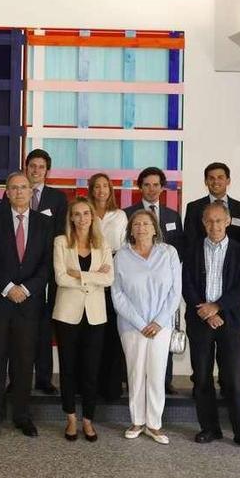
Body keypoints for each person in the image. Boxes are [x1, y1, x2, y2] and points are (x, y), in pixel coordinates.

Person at [182, 202, 240, 453]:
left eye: (219, 220)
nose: (214, 225)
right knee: (203, 378)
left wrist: (216, 307)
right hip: (200, 321)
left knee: (234, 380)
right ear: (203, 223)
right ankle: (210, 428)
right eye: (209, 221)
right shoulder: (193, 250)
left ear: (227, 222)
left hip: (229, 322)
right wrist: (206, 313)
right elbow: (187, 285)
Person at [0, 172, 53, 438]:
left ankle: (22, 416)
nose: (20, 192)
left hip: (29, 304)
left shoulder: (45, 224)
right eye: (14, 188)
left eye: (24, 187)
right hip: (0, 303)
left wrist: (25, 289)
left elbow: (47, 265)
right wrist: (8, 288)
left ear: (31, 192)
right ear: (7, 192)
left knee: (24, 364)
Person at [0, 149, 66, 395]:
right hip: (17, 276)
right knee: (16, 332)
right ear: (26, 168)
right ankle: (15, 379)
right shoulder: (12, 193)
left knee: (44, 327)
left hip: (46, 273)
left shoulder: (58, 198)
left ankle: (44, 378)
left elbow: (61, 236)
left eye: (41, 167)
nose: (36, 170)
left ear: (47, 171)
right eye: (32, 166)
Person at [112, 210, 181, 445]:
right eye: (137, 224)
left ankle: (154, 424)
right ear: (130, 229)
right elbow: (117, 294)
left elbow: (175, 292)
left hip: (161, 326)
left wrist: (158, 322)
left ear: (155, 228)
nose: (141, 227)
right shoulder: (121, 255)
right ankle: (137, 421)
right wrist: (142, 323)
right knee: (135, 373)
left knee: (156, 373)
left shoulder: (169, 253)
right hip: (132, 326)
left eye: (146, 223)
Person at [52, 198, 113, 442]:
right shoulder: (61, 242)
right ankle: (71, 419)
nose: (81, 218)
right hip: (67, 314)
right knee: (68, 368)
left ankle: (88, 420)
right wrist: (93, 276)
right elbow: (60, 278)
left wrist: (79, 274)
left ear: (92, 217)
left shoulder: (103, 244)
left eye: (86, 213)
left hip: (95, 316)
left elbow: (109, 280)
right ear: (71, 218)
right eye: (76, 214)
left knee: (91, 370)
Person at [123, 166, 185, 394]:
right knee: (136, 341)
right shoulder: (127, 213)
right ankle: (133, 382)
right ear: (140, 187)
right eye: (147, 184)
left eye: (156, 184)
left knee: (163, 334)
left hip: (164, 289)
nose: (152, 189)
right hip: (136, 290)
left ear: (162, 187)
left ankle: (165, 381)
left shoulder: (173, 215)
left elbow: (179, 250)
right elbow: (124, 248)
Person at [89, 172, 128, 401]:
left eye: (105, 186)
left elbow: (124, 246)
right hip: (90, 275)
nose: (101, 190)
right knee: (93, 335)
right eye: (97, 186)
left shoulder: (120, 215)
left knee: (112, 335)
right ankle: (90, 387)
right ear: (91, 190)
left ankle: (112, 387)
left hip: (113, 276)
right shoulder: (85, 211)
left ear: (110, 190)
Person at [183, 162, 240, 253]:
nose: (216, 181)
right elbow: (190, 240)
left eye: (220, 177)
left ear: (228, 181)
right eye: (211, 178)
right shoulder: (193, 208)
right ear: (206, 181)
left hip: (234, 263)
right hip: (203, 261)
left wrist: (236, 261)